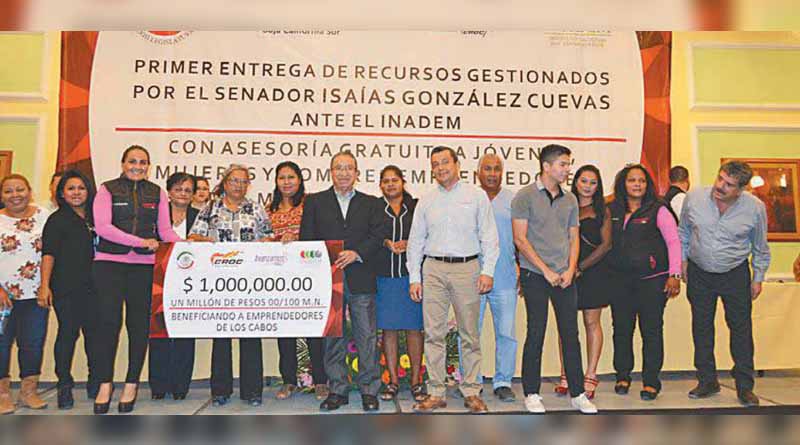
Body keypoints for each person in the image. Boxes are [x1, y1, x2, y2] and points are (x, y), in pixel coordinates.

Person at [407, 146, 499, 414]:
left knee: (469, 333)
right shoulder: (426, 200)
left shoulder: (476, 196)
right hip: (433, 269)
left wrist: (488, 271)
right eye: (435, 164)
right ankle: (436, 391)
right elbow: (415, 241)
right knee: (433, 333)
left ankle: (471, 390)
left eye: (445, 162)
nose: (440, 168)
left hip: (467, 268)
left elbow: (489, 236)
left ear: (457, 164)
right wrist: (414, 277)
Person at [91, 145, 181, 414]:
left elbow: (165, 231)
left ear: (148, 166)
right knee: (108, 325)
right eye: (132, 161)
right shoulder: (107, 190)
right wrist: (140, 241)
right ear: (123, 164)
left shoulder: (157, 192)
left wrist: (190, 247)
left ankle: (131, 383)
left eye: (143, 162)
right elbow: (103, 228)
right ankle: (105, 384)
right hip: (108, 264)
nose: (137, 166)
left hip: (143, 268)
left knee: (139, 326)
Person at [511, 144, 596, 414]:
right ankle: (532, 392)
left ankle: (578, 393)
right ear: (546, 166)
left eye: (568, 164)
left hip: (564, 276)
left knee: (570, 334)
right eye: (562, 164)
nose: (567, 169)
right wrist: (545, 270)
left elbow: (574, 238)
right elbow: (520, 239)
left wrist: (570, 270)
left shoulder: (570, 199)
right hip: (535, 274)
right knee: (536, 332)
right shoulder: (524, 196)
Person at [679, 161, 771, 407]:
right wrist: (683, 261)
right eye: (720, 178)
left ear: (741, 189)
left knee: (741, 330)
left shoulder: (755, 208)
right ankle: (707, 381)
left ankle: (744, 386)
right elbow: (683, 232)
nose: (720, 186)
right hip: (699, 272)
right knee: (702, 327)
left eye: (729, 184)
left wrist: (758, 278)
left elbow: (760, 247)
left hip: (735, 274)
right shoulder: (694, 198)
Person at [299, 150, 384, 412]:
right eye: (339, 168)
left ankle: (369, 390)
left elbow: (378, 235)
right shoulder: (315, 202)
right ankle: (337, 389)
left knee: (366, 335)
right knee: (333, 336)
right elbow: (307, 239)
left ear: (357, 173)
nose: (344, 172)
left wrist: (357, 253)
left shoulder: (371, 203)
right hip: (328, 279)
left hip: (361, 276)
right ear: (331, 172)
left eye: (349, 168)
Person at [189, 164, 274, 407]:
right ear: (225, 183)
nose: (239, 185)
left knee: (251, 334)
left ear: (249, 185)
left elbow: (269, 237)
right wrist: (210, 243)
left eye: (243, 181)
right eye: (234, 180)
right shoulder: (211, 208)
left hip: (250, 281)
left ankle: (252, 391)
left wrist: (265, 243)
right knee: (222, 336)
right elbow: (193, 237)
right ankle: (220, 390)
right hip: (219, 281)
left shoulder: (256, 208)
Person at [607, 164, 682, 401]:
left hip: (652, 282)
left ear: (647, 185)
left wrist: (675, 274)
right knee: (621, 331)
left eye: (641, 180)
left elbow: (673, 242)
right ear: (623, 184)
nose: (637, 184)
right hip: (619, 282)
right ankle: (622, 375)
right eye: (632, 180)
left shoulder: (658, 209)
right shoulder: (612, 209)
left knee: (651, 332)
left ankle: (651, 381)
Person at [457, 154, 518, 402]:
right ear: (477, 173)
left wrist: (521, 268)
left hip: (505, 278)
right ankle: (471, 381)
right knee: (469, 332)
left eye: (496, 169)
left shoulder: (514, 201)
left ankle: (503, 382)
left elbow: (522, 237)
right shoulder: (468, 199)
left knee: (506, 333)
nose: (492, 174)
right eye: (487, 169)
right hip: (471, 278)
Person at [266, 161, 328, 402]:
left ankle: (321, 381)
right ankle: (288, 380)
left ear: (300, 180)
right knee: (285, 330)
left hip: (308, 274)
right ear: (276, 181)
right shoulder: (269, 208)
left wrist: (298, 237)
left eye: (291, 177)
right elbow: (263, 238)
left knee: (314, 329)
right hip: (280, 277)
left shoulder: (311, 204)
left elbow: (319, 234)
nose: (287, 182)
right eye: (282, 177)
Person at [39, 170, 99, 410]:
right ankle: (64, 383)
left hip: (96, 287)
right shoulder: (57, 220)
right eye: (71, 188)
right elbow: (48, 254)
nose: (76, 192)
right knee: (68, 334)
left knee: (95, 336)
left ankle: (96, 381)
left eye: (81, 188)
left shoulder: (97, 217)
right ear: (62, 193)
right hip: (66, 288)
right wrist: (44, 286)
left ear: (88, 191)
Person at [553, 165, 612, 400]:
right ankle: (566, 373)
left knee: (591, 322)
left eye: (593, 182)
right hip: (565, 272)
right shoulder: (564, 204)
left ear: (598, 186)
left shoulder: (602, 210)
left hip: (594, 272)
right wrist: (566, 268)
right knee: (566, 325)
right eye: (583, 181)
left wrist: (581, 267)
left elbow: (606, 245)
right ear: (575, 181)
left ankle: (590, 374)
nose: (587, 186)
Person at [373, 166, 425, 403]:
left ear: (403, 182)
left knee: (414, 329)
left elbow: (428, 234)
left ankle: (416, 381)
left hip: (411, 277)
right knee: (389, 330)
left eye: (394, 180)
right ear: (380, 185)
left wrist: (410, 243)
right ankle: (392, 381)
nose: (390, 184)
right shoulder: (374, 208)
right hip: (384, 277)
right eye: (386, 181)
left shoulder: (416, 207)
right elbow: (369, 235)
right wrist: (386, 243)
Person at [0, 174, 51, 415]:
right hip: (3, 296)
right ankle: (3, 394)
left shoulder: (44, 216)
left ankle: (29, 391)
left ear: (29, 191)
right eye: (8, 191)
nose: (15, 195)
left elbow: (52, 251)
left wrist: (46, 285)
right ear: (2, 196)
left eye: (20, 189)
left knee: (32, 343)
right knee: (1, 344)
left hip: (36, 294)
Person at [148, 172, 199, 401]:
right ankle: (159, 386)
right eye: (178, 189)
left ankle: (180, 386)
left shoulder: (199, 217)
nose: (183, 194)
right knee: (158, 332)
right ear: (168, 192)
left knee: (185, 333)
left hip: (189, 283)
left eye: (188, 190)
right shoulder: (155, 215)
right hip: (157, 281)